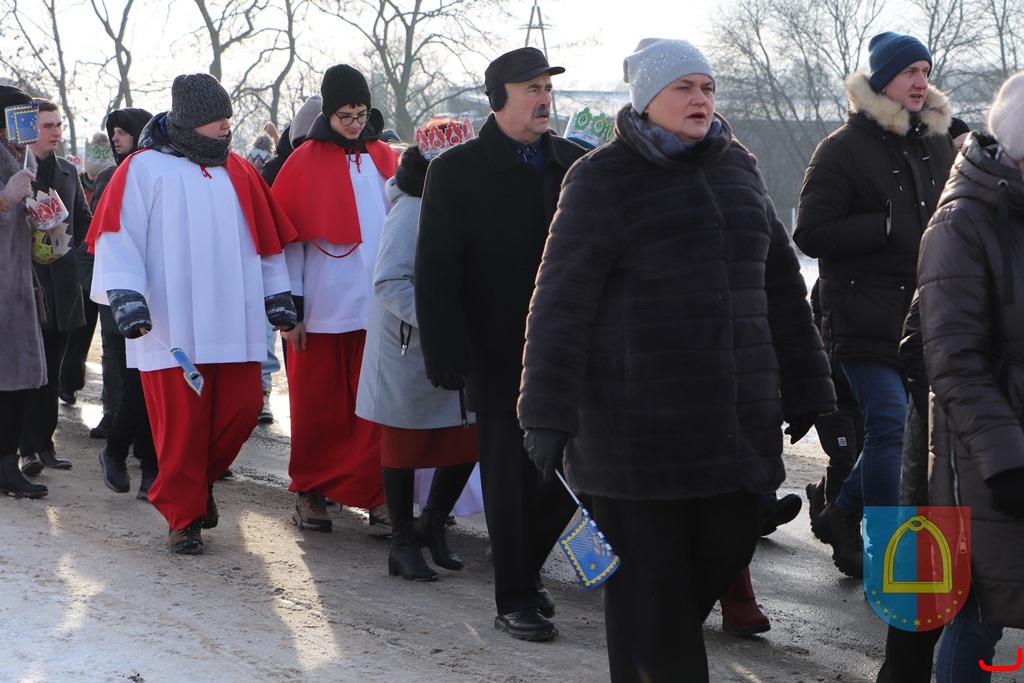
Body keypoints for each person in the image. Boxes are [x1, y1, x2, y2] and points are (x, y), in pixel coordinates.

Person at [517, 38, 835, 679]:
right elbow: (561, 302)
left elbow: (781, 287)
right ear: (646, 99)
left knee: (722, 550)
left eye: (707, 87)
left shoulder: (738, 167)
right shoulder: (602, 178)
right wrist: (546, 411)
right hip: (639, 439)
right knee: (653, 601)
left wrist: (811, 388)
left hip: (731, 431)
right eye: (683, 87)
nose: (700, 99)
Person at [415, 46, 586, 642]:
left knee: (578, 473)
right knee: (509, 478)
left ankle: (523, 565)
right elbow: (436, 270)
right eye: (531, 88)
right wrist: (445, 350)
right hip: (495, 349)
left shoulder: (575, 164)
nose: (544, 98)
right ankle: (514, 597)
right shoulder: (456, 171)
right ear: (498, 98)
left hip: (571, 350)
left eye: (547, 88)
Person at [88, 73, 298, 554]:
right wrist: (126, 296)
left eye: (228, 118)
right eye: (216, 119)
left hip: (235, 318)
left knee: (243, 410)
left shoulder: (239, 170)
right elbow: (118, 235)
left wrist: (278, 295)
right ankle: (183, 520)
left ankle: (194, 486)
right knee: (182, 427)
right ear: (189, 121)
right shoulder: (143, 169)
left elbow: (266, 242)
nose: (226, 126)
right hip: (171, 322)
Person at [793, 32, 955, 578]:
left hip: (924, 317)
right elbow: (809, 231)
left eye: (925, 70)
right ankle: (890, 554)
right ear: (882, 80)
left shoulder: (939, 144)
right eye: (909, 71)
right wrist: (882, 226)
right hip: (860, 315)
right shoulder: (841, 148)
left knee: (906, 432)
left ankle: (840, 513)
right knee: (890, 421)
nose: (920, 81)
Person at [918, 72, 1024, 683]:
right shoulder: (962, 222)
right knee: (983, 606)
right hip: (989, 448)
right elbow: (953, 356)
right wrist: (1004, 461)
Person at [272, 65, 397, 535]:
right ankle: (311, 490)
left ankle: (377, 495)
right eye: (346, 115)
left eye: (361, 114)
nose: (354, 124)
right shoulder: (302, 161)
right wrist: (292, 312)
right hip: (322, 308)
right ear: (328, 113)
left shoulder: (384, 157)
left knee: (375, 407)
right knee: (317, 406)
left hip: (377, 307)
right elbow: (289, 244)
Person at [356, 117, 479, 581]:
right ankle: (403, 543)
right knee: (404, 447)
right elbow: (389, 281)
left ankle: (432, 524)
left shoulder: (468, 201)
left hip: (455, 343)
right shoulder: (412, 208)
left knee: (468, 439)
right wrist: (441, 322)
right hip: (408, 348)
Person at [19, 98, 90, 476]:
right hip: (26, 285)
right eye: (48, 126)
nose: (56, 132)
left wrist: (73, 247)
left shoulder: (68, 171)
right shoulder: (15, 169)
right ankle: (26, 448)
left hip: (62, 286)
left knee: (52, 374)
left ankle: (45, 446)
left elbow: (83, 220)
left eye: (58, 125)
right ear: (30, 130)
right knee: (29, 372)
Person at [91, 106, 159, 499]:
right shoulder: (112, 177)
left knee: (151, 385)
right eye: (112, 131)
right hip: (123, 298)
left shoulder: (155, 171)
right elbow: (103, 238)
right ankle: (126, 455)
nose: (115, 138)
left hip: (158, 293)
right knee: (139, 384)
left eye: (122, 131)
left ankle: (145, 465)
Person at [0, 85, 48, 499]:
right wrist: (4, 200)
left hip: (16, 286)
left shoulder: (24, 159)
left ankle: (7, 464)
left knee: (16, 385)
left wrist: (45, 229)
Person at [59, 131, 118, 437]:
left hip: (101, 262)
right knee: (79, 331)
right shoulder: (75, 179)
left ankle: (111, 405)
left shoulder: (112, 180)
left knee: (109, 342)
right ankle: (69, 382)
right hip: (82, 262)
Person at [244, 130, 281, 424]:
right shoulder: (239, 186)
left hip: (266, 268)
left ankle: (263, 392)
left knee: (266, 334)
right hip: (243, 270)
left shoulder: (275, 189)